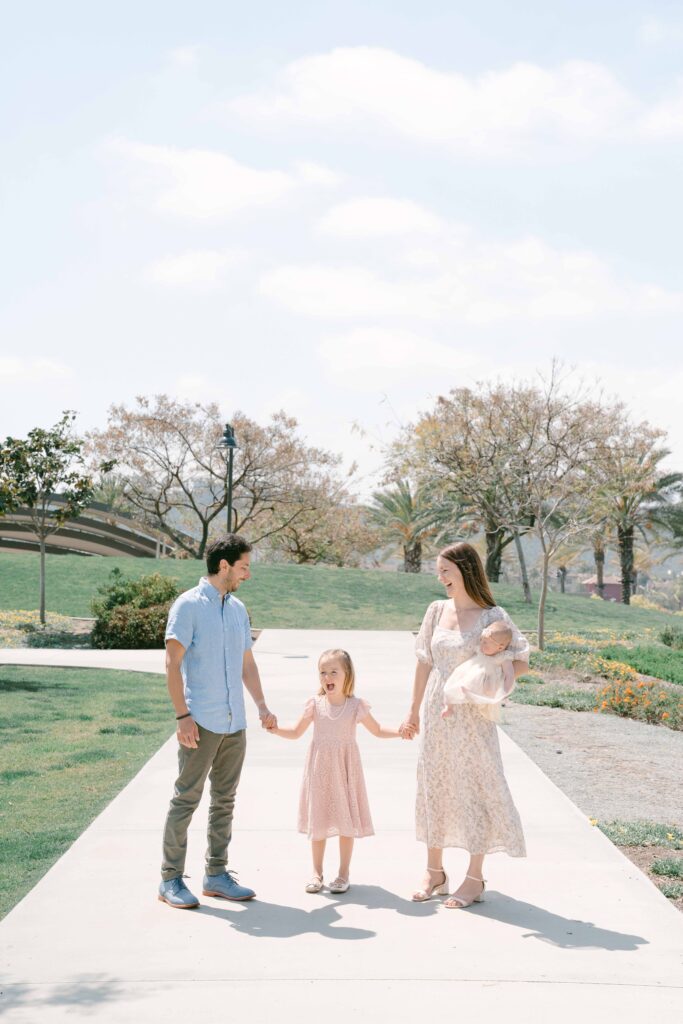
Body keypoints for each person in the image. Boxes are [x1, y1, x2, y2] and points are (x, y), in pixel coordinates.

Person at [400, 541, 529, 909]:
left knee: (476, 788)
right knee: (435, 785)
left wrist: (487, 681)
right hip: (436, 714)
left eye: (446, 571)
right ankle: (434, 871)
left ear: (466, 571)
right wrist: (411, 712)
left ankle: (474, 878)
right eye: (439, 571)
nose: (441, 578)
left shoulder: (493, 615)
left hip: (473, 719)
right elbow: (424, 662)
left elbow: (521, 660)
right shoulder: (436, 610)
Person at [158, 534, 277, 910]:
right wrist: (183, 716)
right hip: (201, 721)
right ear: (223, 565)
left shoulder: (238, 609)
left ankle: (216, 874)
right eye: (244, 567)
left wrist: (260, 706)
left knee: (224, 801)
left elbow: (247, 664)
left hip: (234, 723)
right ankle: (170, 879)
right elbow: (172, 665)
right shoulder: (188, 606)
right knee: (186, 800)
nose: (248, 575)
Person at [268, 648, 400, 894]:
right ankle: (316, 873)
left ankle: (343, 874)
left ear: (346, 674)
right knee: (318, 820)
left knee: (344, 820)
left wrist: (400, 732)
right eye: (322, 672)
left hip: (345, 771)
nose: (327, 677)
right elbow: (296, 732)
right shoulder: (315, 705)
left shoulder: (356, 706)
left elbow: (378, 730)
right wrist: (276, 729)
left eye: (333, 672)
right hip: (319, 771)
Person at [441, 619, 515, 722]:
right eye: (481, 640)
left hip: (488, 679)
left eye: (486, 643)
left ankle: (472, 694)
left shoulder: (503, 657)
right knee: (454, 681)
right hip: (472, 671)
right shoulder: (481, 651)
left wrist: (504, 691)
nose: (481, 644)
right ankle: (448, 707)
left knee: (486, 685)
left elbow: (509, 674)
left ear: (500, 647)